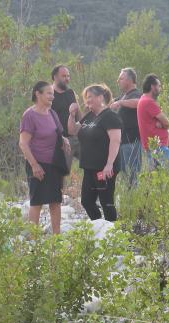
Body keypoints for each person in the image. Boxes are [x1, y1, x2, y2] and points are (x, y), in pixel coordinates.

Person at [67, 84, 121, 222]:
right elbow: (72, 131)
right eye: (86, 98)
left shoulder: (110, 117)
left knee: (106, 202)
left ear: (100, 97)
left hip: (104, 168)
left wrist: (109, 164)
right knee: (87, 201)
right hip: (89, 167)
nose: (87, 100)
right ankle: (99, 226)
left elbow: (115, 141)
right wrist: (72, 115)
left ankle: (112, 233)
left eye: (90, 97)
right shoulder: (89, 116)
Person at [19, 80, 65, 234]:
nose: (52, 96)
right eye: (49, 93)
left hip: (54, 163)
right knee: (37, 202)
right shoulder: (29, 115)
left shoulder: (52, 113)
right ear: (37, 94)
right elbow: (23, 144)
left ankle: (56, 239)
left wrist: (64, 140)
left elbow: (57, 132)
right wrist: (34, 165)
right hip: (37, 163)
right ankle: (34, 241)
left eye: (53, 93)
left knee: (55, 201)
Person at [111, 68, 142, 183]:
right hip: (121, 142)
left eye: (121, 78)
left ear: (129, 80)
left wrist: (120, 103)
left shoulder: (137, 94)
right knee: (124, 173)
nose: (118, 81)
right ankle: (127, 197)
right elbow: (109, 104)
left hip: (132, 141)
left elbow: (139, 102)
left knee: (133, 173)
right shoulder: (122, 96)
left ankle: (133, 197)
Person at [136, 74, 169, 168]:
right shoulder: (148, 102)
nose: (160, 88)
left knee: (158, 178)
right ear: (153, 86)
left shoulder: (143, 100)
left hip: (153, 147)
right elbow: (166, 123)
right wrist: (162, 124)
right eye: (159, 86)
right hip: (158, 147)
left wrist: (160, 124)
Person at [51, 64, 79, 157]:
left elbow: (78, 114)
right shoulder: (48, 94)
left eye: (68, 76)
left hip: (72, 138)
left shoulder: (70, 92)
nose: (67, 78)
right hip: (55, 140)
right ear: (55, 77)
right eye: (64, 76)